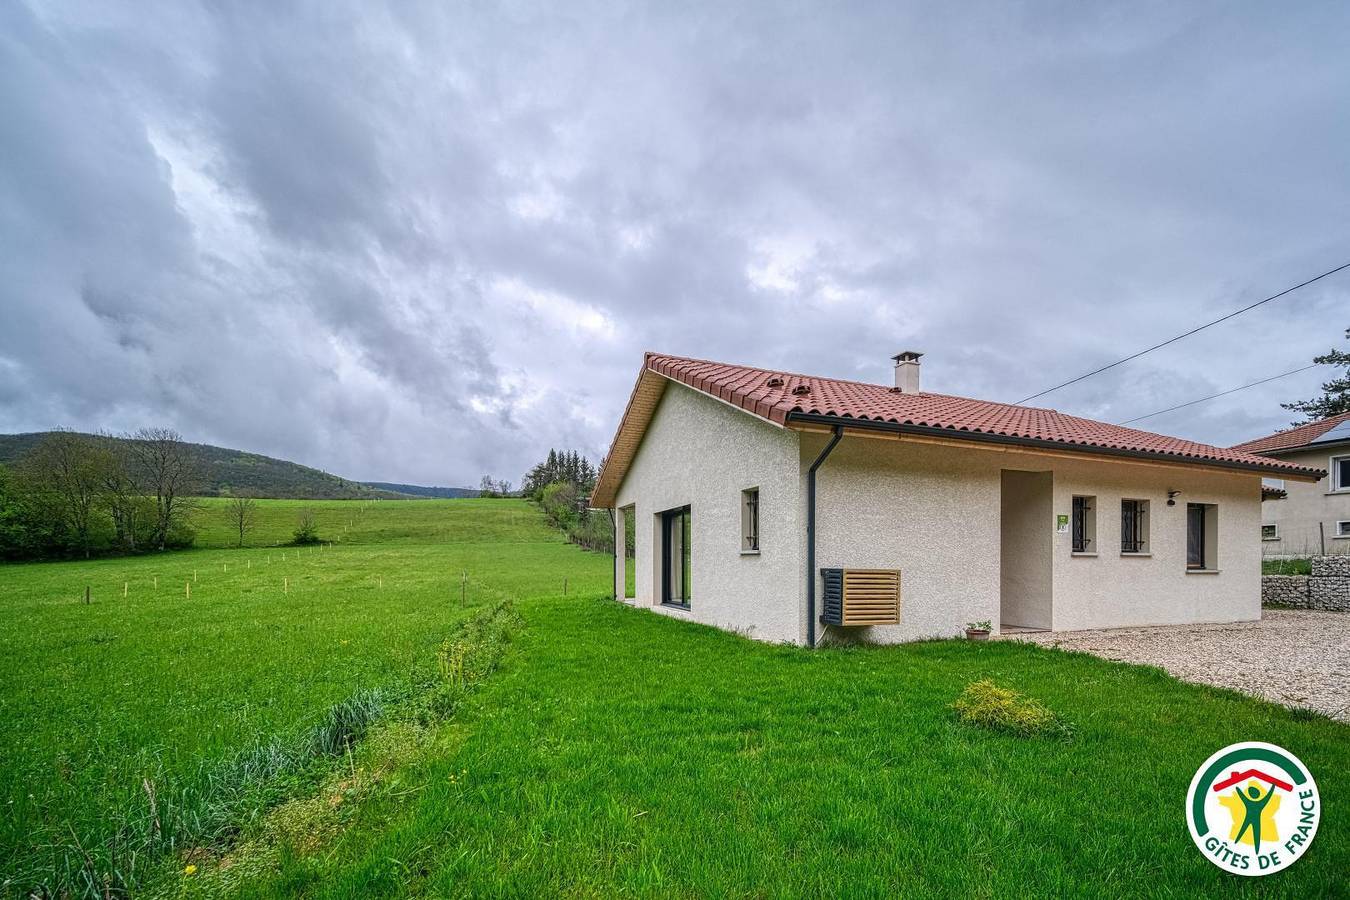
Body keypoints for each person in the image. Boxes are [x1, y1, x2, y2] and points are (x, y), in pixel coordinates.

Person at [1234, 782, 1277, 853]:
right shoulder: (1261, 803)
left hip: (1250, 819)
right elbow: (1268, 796)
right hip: (1255, 821)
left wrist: (1237, 788)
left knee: (1243, 832)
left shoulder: (1248, 802)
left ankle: (1237, 843)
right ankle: (1256, 850)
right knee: (1256, 835)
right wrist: (1273, 787)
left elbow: (1241, 795)